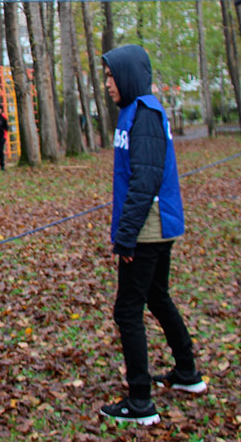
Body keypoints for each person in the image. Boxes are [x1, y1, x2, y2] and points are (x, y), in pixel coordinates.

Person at [98, 45, 206, 425]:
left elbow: (146, 180)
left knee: (127, 310)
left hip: (149, 227)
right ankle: (187, 373)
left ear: (127, 75)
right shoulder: (134, 112)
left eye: (112, 75)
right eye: (107, 76)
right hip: (153, 224)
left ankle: (140, 402)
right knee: (157, 296)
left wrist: (125, 237)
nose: (108, 83)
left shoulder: (144, 114)